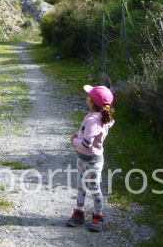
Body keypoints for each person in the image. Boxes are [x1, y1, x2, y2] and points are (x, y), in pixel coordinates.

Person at [66, 84, 115, 232]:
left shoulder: (93, 120)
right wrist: (79, 134)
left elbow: (87, 143)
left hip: (91, 161)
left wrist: (75, 142)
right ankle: (79, 213)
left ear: (92, 101)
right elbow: (90, 135)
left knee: (93, 188)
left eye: (89, 95)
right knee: (81, 186)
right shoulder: (99, 117)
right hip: (83, 159)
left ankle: (98, 216)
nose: (87, 97)